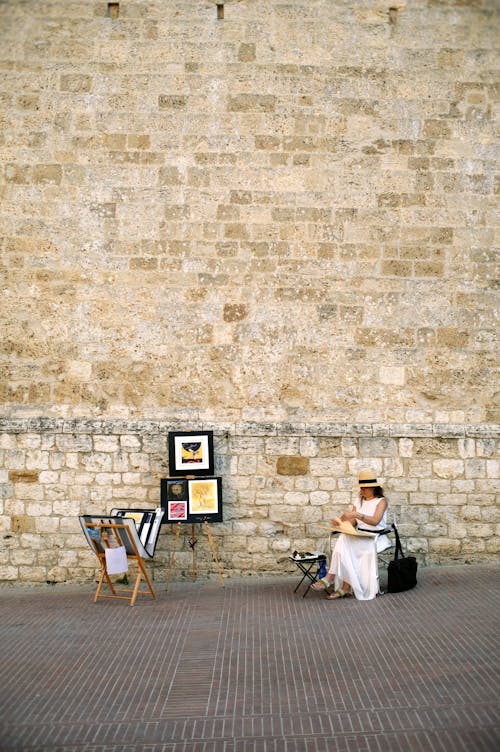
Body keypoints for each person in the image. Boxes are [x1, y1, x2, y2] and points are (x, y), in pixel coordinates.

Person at [311, 470, 392, 600]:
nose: (363, 490)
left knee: (347, 547)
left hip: (375, 537)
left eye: (366, 488)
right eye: (361, 488)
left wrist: (356, 514)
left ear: (374, 487)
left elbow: (375, 521)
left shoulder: (381, 501)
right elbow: (353, 521)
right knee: (344, 538)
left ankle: (338, 583)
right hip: (360, 535)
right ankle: (337, 582)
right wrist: (341, 522)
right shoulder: (358, 500)